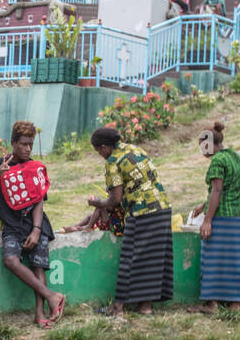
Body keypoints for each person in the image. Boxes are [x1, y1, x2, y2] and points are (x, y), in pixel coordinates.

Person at [65, 127, 173, 315]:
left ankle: (118, 307)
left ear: (105, 147)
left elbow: (115, 199)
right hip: (162, 208)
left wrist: (96, 203)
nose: (100, 155)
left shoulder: (113, 161)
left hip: (141, 212)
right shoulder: (136, 150)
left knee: (129, 259)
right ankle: (145, 307)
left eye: (99, 150)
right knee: (153, 261)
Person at [0, 120, 66, 327]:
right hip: (12, 227)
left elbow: (39, 201)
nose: (28, 148)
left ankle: (40, 313)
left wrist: (36, 229)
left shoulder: (34, 167)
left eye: (30, 144)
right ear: (13, 142)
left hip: (36, 226)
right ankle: (52, 296)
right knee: (11, 261)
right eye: (23, 144)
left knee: (38, 266)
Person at [188, 122, 240, 313]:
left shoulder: (218, 161)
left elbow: (217, 190)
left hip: (221, 217)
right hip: (238, 216)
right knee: (234, 260)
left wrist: (207, 220)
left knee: (212, 260)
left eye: (201, 144)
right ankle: (234, 303)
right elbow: (229, 187)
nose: (201, 149)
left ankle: (211, 303)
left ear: (208, 143)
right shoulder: (235, 156)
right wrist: (203, 204)